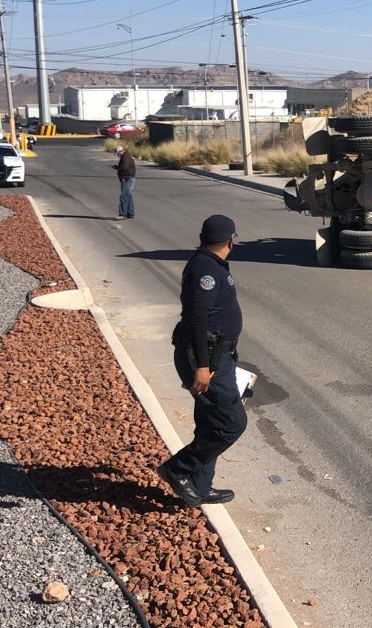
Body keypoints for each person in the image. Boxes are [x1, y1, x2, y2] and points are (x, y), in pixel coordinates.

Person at [157, 215, 247, 507]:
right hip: (207, 358)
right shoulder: (205, 269)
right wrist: (203, 366)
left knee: (211, 422)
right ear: (231, 241)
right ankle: (178, 469)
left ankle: (199, 486)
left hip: (218, 355)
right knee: (232, 424)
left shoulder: (209, 264)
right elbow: (197, 319)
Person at [113, 145, 136, 220]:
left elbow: (124, 167)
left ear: (121, 151)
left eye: (118, 153)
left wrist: (118, 168)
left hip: (127, 179)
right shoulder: (125, 157)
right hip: (127, 178)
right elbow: (123, 167)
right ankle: (130, 213)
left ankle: (122, 214)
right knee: (128, 196)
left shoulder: (126, 157)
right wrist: (117, 167)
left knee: (124, 196)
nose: (118, 155)